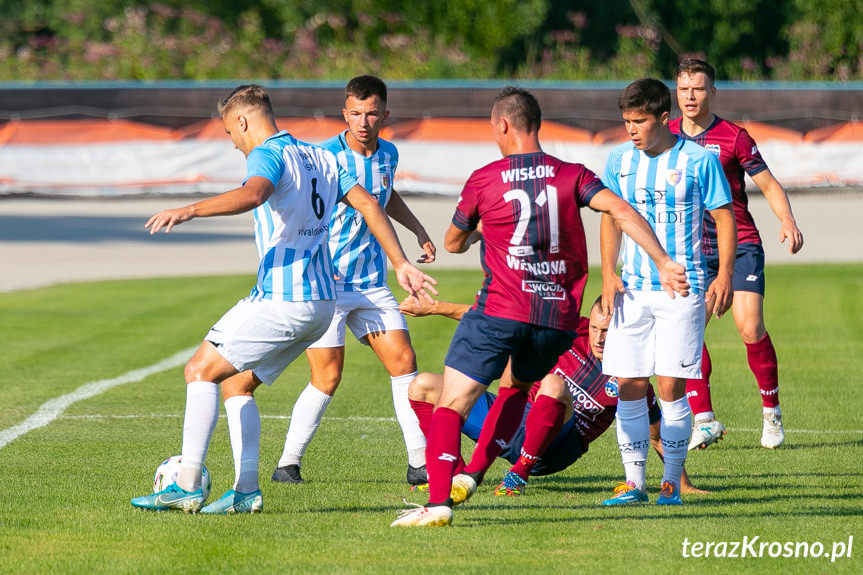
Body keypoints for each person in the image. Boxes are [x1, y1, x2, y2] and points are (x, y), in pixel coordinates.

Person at [391, 86, 689, 527]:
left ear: (503, 125)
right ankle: (474, 475)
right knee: (514, 387)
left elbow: (453, 243)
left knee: (452, 403)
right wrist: (662, 261)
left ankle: (437, 503)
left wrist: (478, 231)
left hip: (500, 308)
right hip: (554, 319)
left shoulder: (485, 177)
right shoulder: (573, 174)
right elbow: (621, 211)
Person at [130, 84, 435, 514]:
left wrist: (190, 209)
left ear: (241, 121)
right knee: (236, 382)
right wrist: (400, 261)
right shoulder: (320, 155)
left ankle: (185, 483)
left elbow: (254, 193)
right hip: (322, 302)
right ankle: (246, 491)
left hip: (283, 296)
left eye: (228, 131)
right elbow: (368, 203)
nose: (231, 140)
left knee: (199, 370)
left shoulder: (267, 153)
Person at [272, 75, 435, 487]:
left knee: (404, 364)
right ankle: (288, 464)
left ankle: (420, 463)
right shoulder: (323, 157)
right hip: (326, 281)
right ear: (344, 114)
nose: (364, 121)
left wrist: (418, 229)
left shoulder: (389, 154)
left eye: (372, 113)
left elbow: (384, 195)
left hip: (370, 283)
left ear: (385, 114)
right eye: (356, 113)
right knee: (328, 376)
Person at [400, 296, 705, 497]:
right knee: (422, 386)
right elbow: (497, 321)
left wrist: (681, 483)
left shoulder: (632, 379)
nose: (600, 338)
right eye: (597, 328)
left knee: (554, 385)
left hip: (556, 449)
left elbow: (655, 435)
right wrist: (434, 308)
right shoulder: (570, 331)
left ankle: (519, 475)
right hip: (516, 421)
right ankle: (454, 473)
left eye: (609, 332)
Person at [599, 78, 736, 507]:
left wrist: (725, 274)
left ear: (663, 117)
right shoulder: (619, 160)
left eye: (639, 121)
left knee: (671, 386)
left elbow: (724, 216)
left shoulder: (698, 160)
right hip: (632, 292)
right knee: (629, 384)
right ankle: (634, 484)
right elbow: (609, 216)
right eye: (626, 122)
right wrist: (607, 271)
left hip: (683, 289)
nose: (631, 130)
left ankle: (672, 485)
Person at [671, 59, 804, 451]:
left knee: (749, 327)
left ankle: (771, 413)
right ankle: (705, 419)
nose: (690, 96)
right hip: (690, 251)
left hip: (740, 244)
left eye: (698, 88)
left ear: (712, 91)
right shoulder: (666, 136)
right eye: (683, 89)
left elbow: (768, 182)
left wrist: (787, 220)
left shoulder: (733, 136)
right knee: (686, 335)